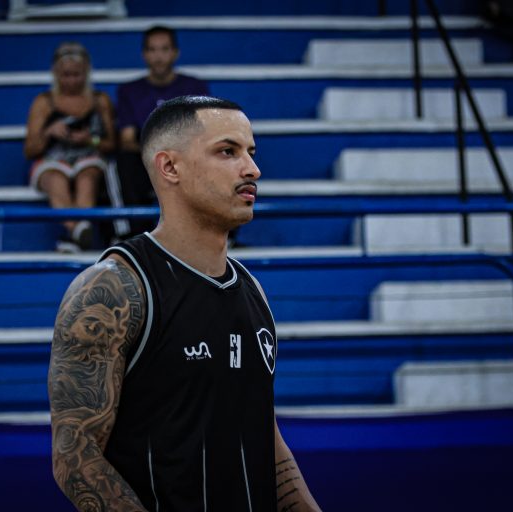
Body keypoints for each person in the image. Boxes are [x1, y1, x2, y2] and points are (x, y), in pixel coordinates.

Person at [48, 96, 321, 511]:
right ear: (170, 167)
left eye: (251, 152)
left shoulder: (253, 290)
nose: (252, 169)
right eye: (227, 151)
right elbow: (76, 458)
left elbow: (266, 439)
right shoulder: (114, 288)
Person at [115, 25, 210, 238]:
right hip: (145, 159)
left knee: (215, 156)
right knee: (125, 160)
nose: (158, 57)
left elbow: (203, 133)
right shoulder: (129, 90)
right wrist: (158, 155)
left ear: (175, 53)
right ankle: (136, 235)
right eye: (152, 50)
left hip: (186, 156)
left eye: (164, 49)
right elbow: (127, 139)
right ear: (144, 54)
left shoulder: (194, 87)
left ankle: (214, 234)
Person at [24, 42, 115, 252]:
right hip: (53, 159)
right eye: (66, 75)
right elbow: (30, 150)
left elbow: (112, 144)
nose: (72, 80)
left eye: (77, 74)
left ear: (87, 72)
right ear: (56, 73)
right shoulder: (44, 102)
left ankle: (72, 238)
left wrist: (89, 140)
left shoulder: (100, 101)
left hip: (89, 156)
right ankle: (78, 230)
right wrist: (49, 132)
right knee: (56, 179)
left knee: (87, 177)